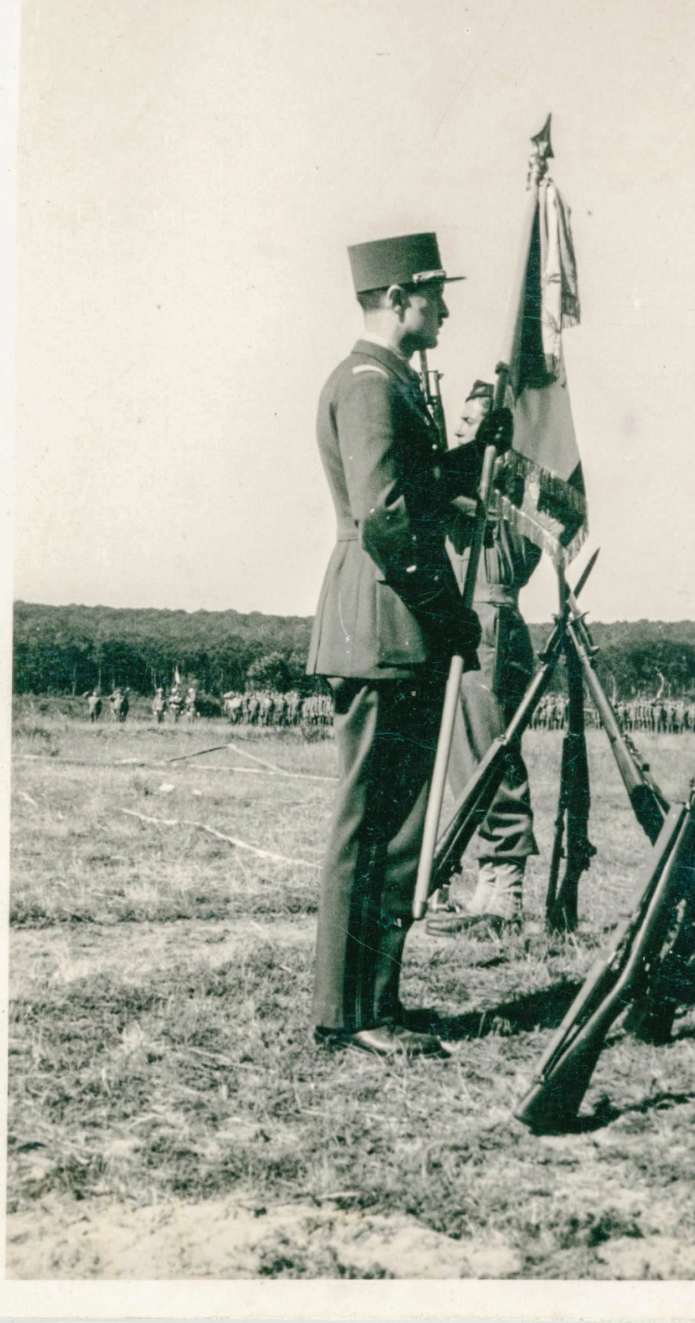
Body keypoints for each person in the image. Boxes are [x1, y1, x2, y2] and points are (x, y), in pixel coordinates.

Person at [307, 231, 511, 1059]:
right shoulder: (366, 384)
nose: (446, 308)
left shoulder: (387, 382)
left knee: (396, 827)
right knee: (371, 824)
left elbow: (417, 486)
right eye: (434, 294)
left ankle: (374, 1000)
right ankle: (350, 1011)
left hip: (397, 624)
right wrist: (447, 612)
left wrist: (475, 451)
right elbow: (387, 513)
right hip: (383, 623)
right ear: (399, 299)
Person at [427, 381, 541, 936]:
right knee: (470, 762)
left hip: (491, 628)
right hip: (470, 628)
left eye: (471, 426)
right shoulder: (471, 494)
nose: (461, 436)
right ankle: (489, 886)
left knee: (493, 757)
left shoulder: (510, 502)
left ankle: (508, 896)